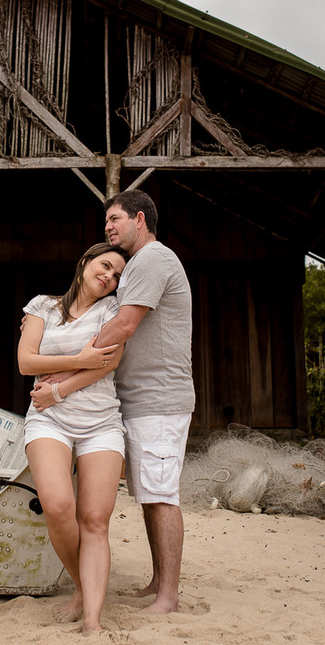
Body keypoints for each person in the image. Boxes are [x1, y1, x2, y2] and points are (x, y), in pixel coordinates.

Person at [18, 242, 128, 634]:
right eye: (105, 266)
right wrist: (78, 360)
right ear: (85, 262)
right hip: (49, 419)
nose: (109, 277)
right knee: (58, 505)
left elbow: (109, 362)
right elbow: (26, 362)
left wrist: (59, 388)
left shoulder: (113, 311)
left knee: (95, 520)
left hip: (101, 422)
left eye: (116, 276)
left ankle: (93, 621)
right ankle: (83, 588)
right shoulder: (42, 307)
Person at [94, 189, 194, 615]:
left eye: (114, 219)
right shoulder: (139, 265)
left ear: (140, 218)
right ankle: (158, 582)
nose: (108, 228)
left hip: (160, 398)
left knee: (161, 494)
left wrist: (72, 357)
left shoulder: (154, 259)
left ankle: (169, 596)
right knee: (150, 495)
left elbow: (126, 324)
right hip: (139, 399)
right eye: (105, 223)